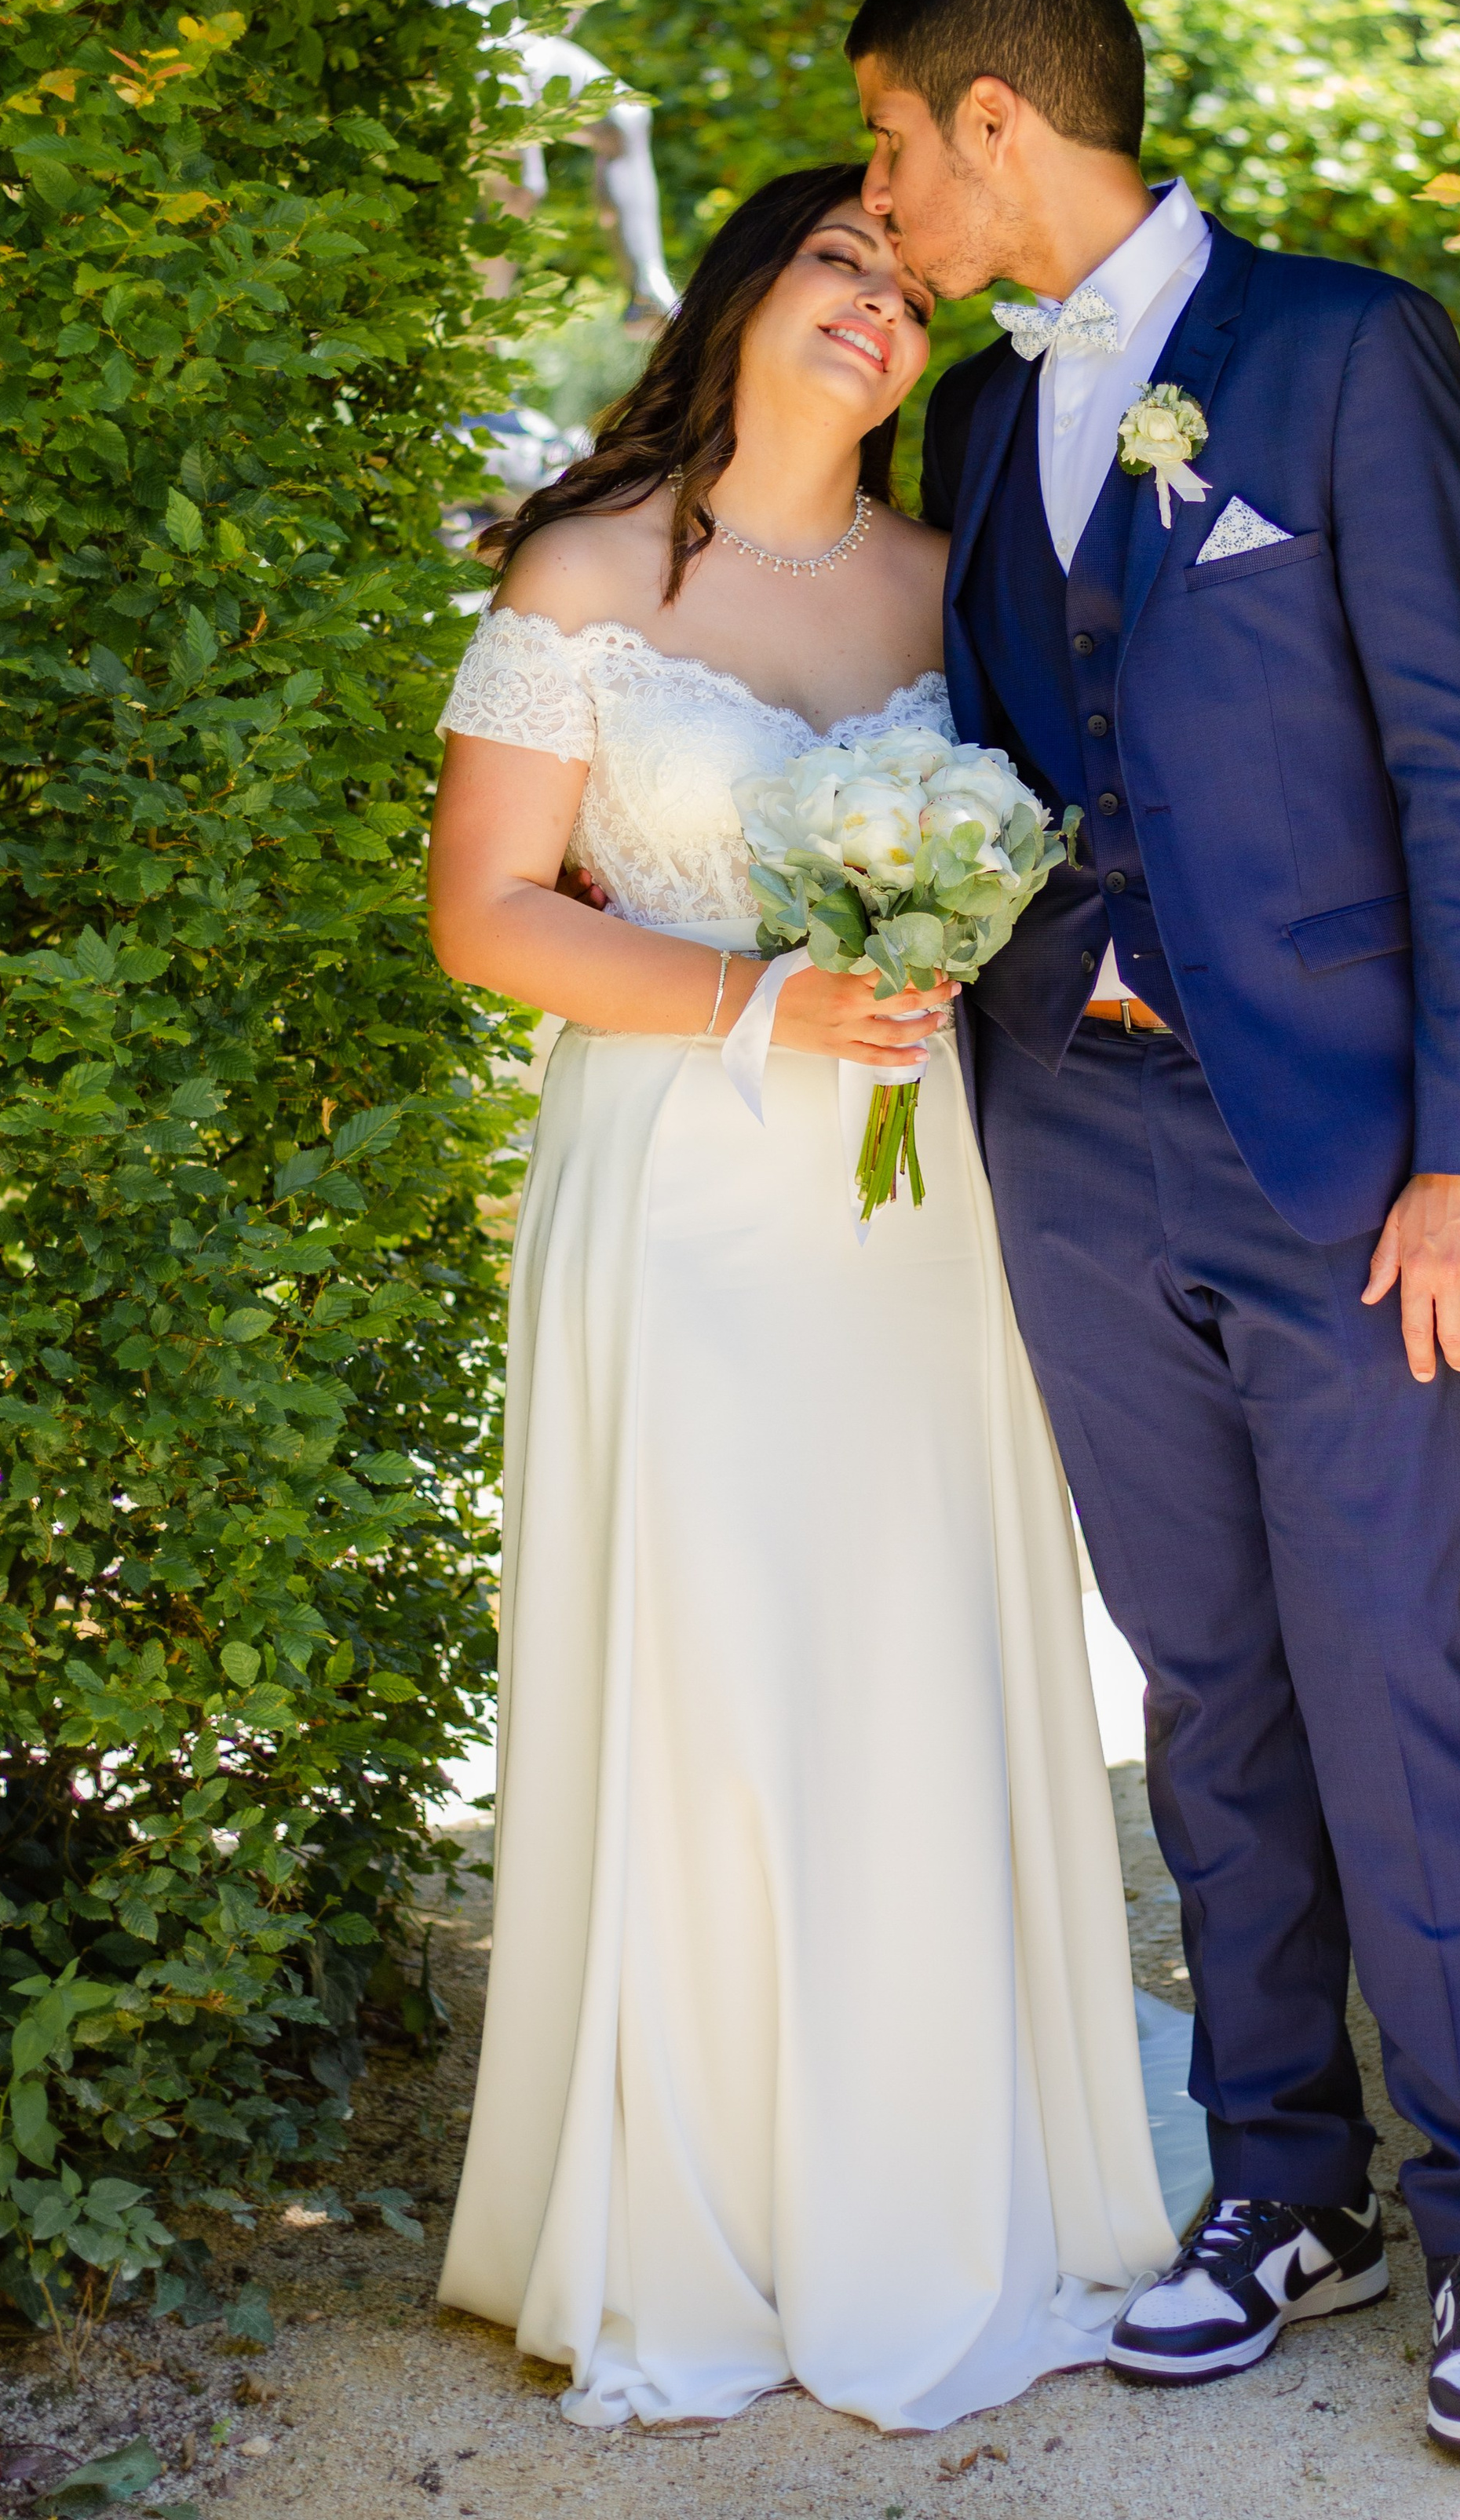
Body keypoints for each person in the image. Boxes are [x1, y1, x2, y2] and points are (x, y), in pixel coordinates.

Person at [848, 0, 1460, 2465]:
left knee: (1396, 1673)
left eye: (885, 141)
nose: (880, 198)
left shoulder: (1342, 351)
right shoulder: (971, 428)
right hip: (1069, 1132)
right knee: (1205, 1685)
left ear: (994, 123)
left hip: (1350, 1155)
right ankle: (1287, 2182)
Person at [425, 164, 1173, 2433]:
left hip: (920, 1208)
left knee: (911, 1639)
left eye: (911, 286)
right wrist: (761, 1003)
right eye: (840, 261)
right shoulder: (590, 569)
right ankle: (696, 2200)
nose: (880, 305)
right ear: (747, 295)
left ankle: (945, 2157)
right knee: (710, 1658)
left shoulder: (959, 589)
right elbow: (488, 915)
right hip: (682, 1198)